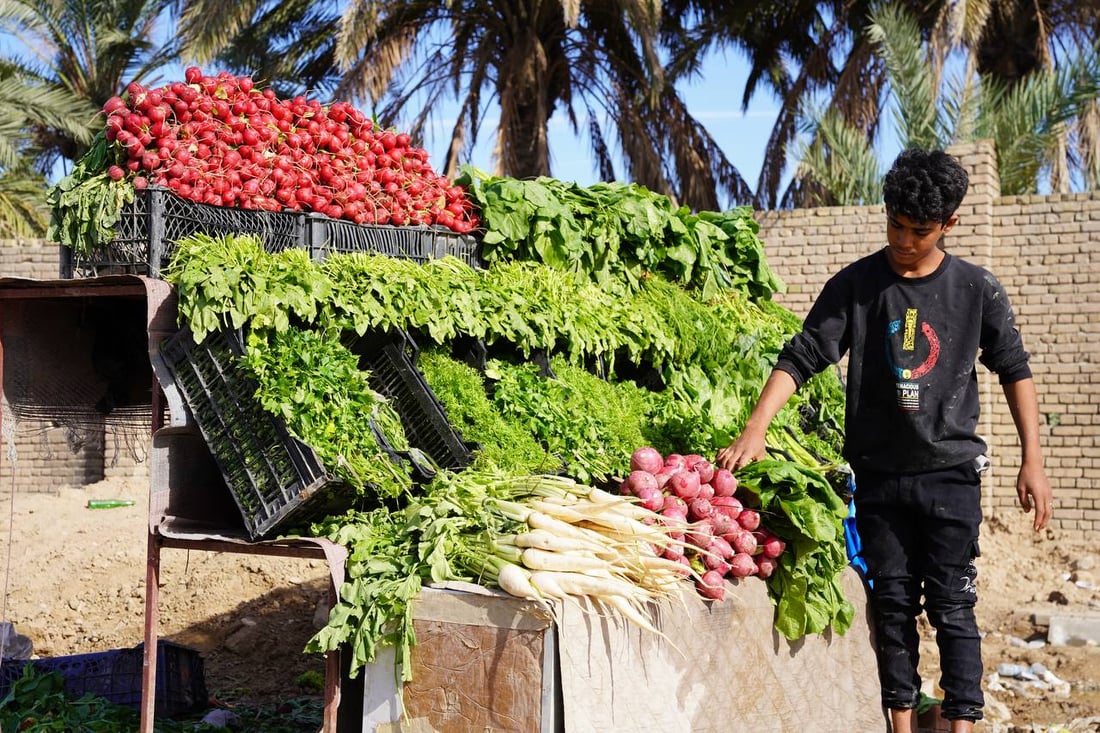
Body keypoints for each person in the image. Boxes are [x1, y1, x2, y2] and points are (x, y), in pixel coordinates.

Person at [715, 148, 1053, 733]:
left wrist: (1034, 461)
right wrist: (756, 427)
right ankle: (901, 726)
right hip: (878, 477)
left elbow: (1015, 369)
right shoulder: (856, 286)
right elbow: (803, 355)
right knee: (892, 608)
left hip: (950, 476)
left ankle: (960, 725)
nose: (903, 239)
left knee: (953, 608)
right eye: (894, 224)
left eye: (918, 231)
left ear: (949, 223)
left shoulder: (976, 289)